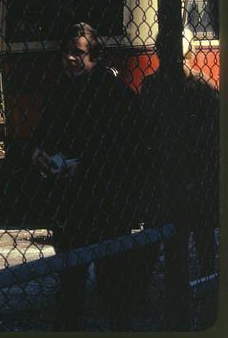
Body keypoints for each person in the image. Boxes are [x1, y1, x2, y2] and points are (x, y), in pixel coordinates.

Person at [29, 23, 143, 331]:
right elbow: (41, 135)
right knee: (71, 282)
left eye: (77, 53)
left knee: (112, 281)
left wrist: (85, 166)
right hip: (71, 202)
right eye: (66, 52)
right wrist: (38, 154)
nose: (69, 59)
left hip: (107, 201)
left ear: (94, 56)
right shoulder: (59, 93)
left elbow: (126, 147)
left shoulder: (112, 93)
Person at [140, 43, 219, 329]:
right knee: (202, 238)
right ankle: (208, 290)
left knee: (158, 235)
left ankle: (141, 296)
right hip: (189, 179)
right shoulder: (204, 88)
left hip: (177, 179)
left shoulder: (152, 87)